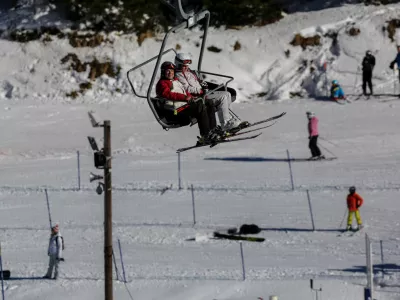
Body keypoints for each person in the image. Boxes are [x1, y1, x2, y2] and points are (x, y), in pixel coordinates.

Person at [174, 53, 244, 132]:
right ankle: (225, 123)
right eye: (184, 66)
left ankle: (229, 120)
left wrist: (202, 83)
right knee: (223, 96)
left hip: (203, 93)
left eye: (187, 65)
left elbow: (198, 82)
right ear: (178, 64)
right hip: (198, 97)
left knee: (227, 93)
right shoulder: (178, 75)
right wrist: (200, 90)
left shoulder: (190, 73)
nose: (186, 67)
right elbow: (186, 89)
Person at [156, 61, 219, 145]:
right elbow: (168, 94)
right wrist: (185, 98)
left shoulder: (176, 81)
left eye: (172, 70)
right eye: (168, 70)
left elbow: (185, 92)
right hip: (175, 111)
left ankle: (213, 130)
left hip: (184, 106)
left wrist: (192, 97)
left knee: (208, 102)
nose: (170, 72)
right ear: (163, 72)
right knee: (199, 107)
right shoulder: (162, 83)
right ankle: (206, 135)